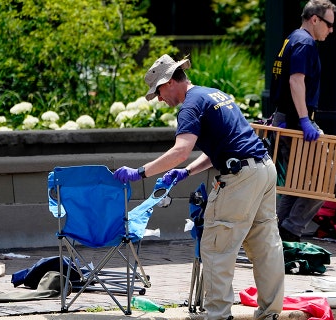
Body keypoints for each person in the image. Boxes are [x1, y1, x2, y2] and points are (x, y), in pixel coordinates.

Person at [113, 54, 284, 320]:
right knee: (265, 246)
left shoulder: (189, 106)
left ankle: (217, 315)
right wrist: (187, 172)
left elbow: (181, 150)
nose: (159, 98)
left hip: (240, 178)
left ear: (169, 82)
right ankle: (271, 314)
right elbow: (224, 145)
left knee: (216, 247)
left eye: (158, 91)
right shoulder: (214, 94)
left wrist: (139, 172)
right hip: (263, 169)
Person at [269, 0, 336, 242]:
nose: (331, 30)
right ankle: (291, 228)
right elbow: (296, 81)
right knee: (325, 178)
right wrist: (304, 120)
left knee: (298, 180)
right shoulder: (304, 42)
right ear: (315, 19)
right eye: (329, 24)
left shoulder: (293, 38)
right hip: (295, 120)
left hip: (287, 118)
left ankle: (279, 230)